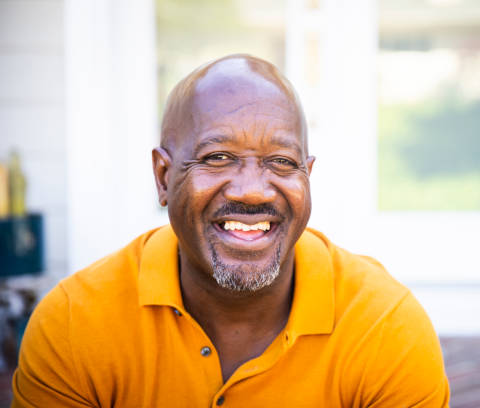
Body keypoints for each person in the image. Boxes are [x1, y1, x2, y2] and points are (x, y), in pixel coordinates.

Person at [12, 55, 450, 407]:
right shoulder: (75, 324)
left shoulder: (385, 327)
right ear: (164, 177)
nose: (255, 191)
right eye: (218, 157)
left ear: (307, 176)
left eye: (282, 161)